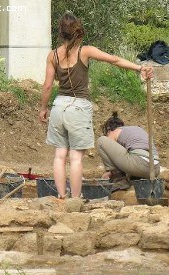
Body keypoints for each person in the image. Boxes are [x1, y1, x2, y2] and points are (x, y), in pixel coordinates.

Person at [38, 11, 153, 199]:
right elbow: (114, 60)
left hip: (59, 107)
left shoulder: (52, 56)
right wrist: (140, 67)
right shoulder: (85, 51)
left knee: (60, 156)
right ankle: (75, 199)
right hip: (78, 107)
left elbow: (48, 85)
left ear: (60, 32)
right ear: (78, 30)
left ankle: (61, 196)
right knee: (75, 157)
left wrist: (43, 108)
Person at [98, 112, 160, 182]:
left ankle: (118, 179)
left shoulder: (114, 132)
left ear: (109, 129)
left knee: (101, 140)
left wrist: (111, 172)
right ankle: (135, 177)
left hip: (140, 165)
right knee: (132, 154)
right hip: (155, 169)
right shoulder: (135, 129)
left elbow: (113, 153)